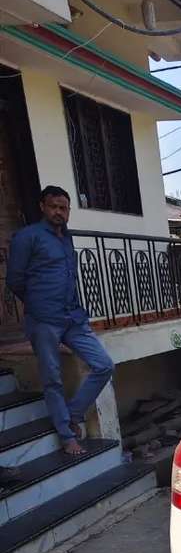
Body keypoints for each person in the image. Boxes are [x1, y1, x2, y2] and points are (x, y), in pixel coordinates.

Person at [7, 186, 114, 456]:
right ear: (43, 206)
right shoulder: (27, 236)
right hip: (44, 320)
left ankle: (73, 414)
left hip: (73, 317)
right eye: (53, 206)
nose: (58, 212)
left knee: (103, 365)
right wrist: (38, 303)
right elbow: (15, 280)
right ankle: (67, 436)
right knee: (52, 378)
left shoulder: (65, 238)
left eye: (63, 208)